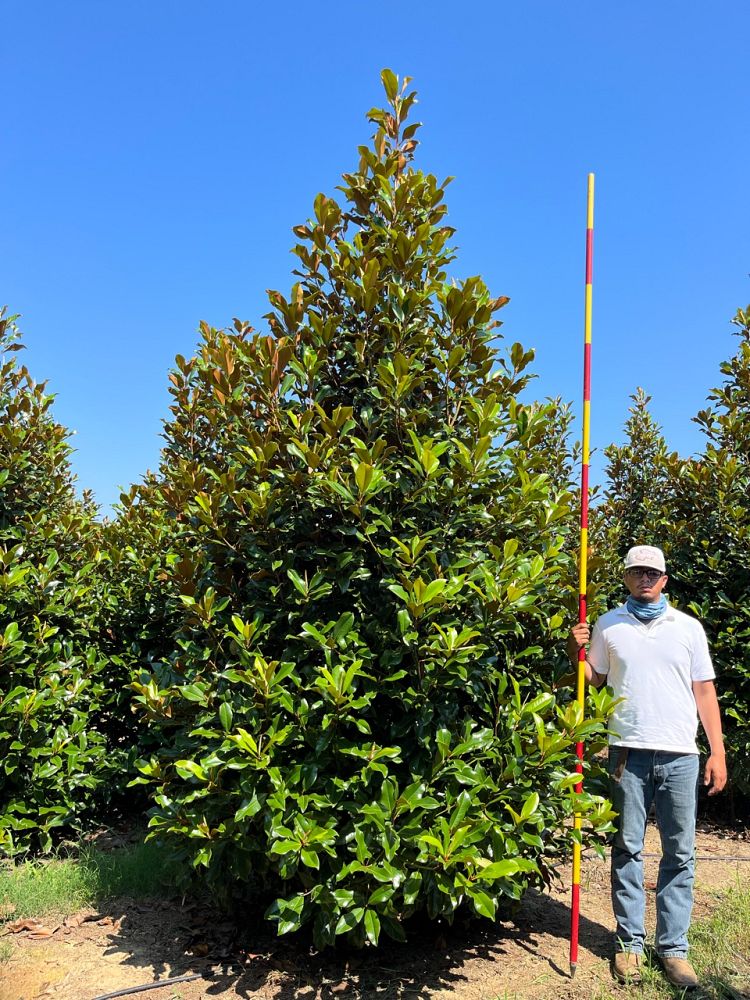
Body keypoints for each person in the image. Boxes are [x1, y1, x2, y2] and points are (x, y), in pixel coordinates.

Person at [568, 544, 727, 988]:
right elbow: (594, 679)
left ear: (664, 579)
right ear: (625, 578)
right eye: (636, 572)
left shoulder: (688, 628)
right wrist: (574, 650)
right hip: (626, 751)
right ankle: (629, 946)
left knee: (680, 853)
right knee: (628, 848)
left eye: (651, 572)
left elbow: (705, 691)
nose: (644, 579)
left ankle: (674, 950)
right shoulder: (607, 625)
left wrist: (717, 750)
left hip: (680, 754)